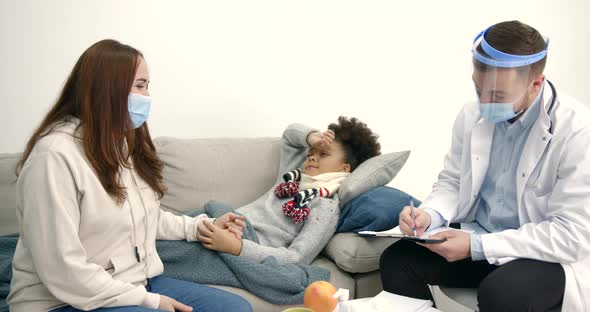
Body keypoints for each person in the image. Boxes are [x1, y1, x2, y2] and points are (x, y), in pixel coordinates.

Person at [6, 39, 252, 312]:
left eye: (147, 87)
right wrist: (151, 301)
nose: (146, 97)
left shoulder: (118, 143)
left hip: (130, 285)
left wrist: (201, 226)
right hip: (61, 301)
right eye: (140, 85)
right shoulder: (53, 156)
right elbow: (63, 269)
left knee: (235, 308)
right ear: (107, 87)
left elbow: (142, 217)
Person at [380, 21, 590, 311]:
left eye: (498, 96)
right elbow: (452, 182)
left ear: (536, 83)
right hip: (480, 237)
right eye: (479, 90)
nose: (484, 104)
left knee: (503, 293)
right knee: (398, 260)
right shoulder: (470, 115)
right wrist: (430, 215)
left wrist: (476, 247)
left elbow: (572, 235)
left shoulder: (578, 130)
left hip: (543, 254)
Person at [197, 117, 382, 265]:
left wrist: (238, 248)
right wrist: (313, 138)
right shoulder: (291, 176)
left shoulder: (325, 207)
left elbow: (297, 258)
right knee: (175, 225)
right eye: (311, 153)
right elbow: (290, 135)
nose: (311, 158)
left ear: (345, 168)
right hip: (227, 219)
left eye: (323, 154)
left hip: (241, 240)